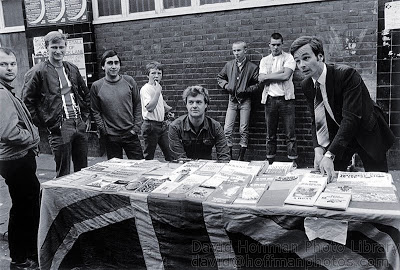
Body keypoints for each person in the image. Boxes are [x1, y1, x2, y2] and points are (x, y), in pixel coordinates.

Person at [290, 36, 395, 181]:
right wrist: (318, 149)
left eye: (306, 58)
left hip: (367, 131)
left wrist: (329, 154)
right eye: (297, 61)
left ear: (320, 56)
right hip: (342, 134)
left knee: (379, 180)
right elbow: (316, 118)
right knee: (331, 177)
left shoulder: (346, 74)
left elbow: (351, 118)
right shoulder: (306, 84)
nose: (301, 65)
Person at [23, 31, 90, 177]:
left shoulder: (72, 68)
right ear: (46, 47)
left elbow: (85, 93)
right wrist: (46, 123)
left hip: (78, 123)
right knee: (63, 172)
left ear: (66, 47)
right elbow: (27, 102)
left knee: (83, 171)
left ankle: (80, 199)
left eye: (61, 47)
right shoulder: (37, 71)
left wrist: (85, 117)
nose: (58, 51)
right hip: (59, 126)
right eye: (54, 47)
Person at [0, 48, 40, 270]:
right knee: (26, 208)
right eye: (3, 64)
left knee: (24, 207)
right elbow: (8, 132)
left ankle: (23, 256)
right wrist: (33, 136)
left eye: (13, 64)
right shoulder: (2, 93)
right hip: (15, 159)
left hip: (15, 159)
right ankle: (21, 259)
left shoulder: (6, 90)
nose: (9, 68)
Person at [91, 50, 144, 160]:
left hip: (130, 133)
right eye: (110, 63)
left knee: (140, 166)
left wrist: (136, 128)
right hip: (111, 136)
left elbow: (138, 104)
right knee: (115, 170)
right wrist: (105, 130)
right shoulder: (97, 86)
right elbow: (95, 110)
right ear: (103, 66)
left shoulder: (129, 81)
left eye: (116, 63)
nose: (114, 66)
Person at [258, 33, 298, 164]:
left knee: (290, 133)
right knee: (270, 134)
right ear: (269, 45)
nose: (275, 47)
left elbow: (286, 76)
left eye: (278, 45)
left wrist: (268, 76)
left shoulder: (289, 58)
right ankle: (270, 160)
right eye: (273, 45)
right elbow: (261, 79)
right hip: (270, 100)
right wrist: (279, 73)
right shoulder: (264, 60)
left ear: (282, 44)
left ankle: (292, 161)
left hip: (286, 100)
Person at [217, 41, 259, 161]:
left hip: (245, 101)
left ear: (245, 50)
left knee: (243, 129)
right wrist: (226, 86)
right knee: (227, 129)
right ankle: (229, 157)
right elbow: (220, 77)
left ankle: (241, 158)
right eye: (234, 50)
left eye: (238, 50)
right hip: (232, 100)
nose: (236, 53)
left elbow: (258, 84)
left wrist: (247, 90)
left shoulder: (252, 67)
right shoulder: (229, 65)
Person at [169, 85, 230, 161]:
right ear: (186, 105)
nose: (194, 106)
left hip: (206, 169)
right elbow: (180, 158)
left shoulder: (215, 127)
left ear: (206, 105)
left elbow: (224, 157)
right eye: (191, 102)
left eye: (198, 102)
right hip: (183, 170)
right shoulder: (175, 127)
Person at [140, 61, 173, 161]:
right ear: (147, 75)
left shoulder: (157, 87)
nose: (156, 76)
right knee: (149, 156)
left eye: (159, 73)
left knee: (170, 153)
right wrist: (158, 92)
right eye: (153, 73)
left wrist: (167, 111)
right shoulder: (146, 89)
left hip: (161, 125)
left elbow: (160, 103)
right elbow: (149, 108)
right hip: (150, 125)